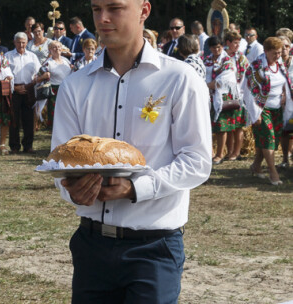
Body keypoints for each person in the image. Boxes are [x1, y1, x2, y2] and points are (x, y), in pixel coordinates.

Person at [51, 0, 211, 302]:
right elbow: (61, 159)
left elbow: (196, 161)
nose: (103, 18)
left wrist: (135, 188)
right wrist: (71, 189)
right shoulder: (75, 85)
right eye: (97, 9)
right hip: (92, 243)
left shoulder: (179, 79)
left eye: (115, 8)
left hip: (153, 247)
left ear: (144, 11)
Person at [244, 37, 292, 185]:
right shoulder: (257, 66)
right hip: (262, 107)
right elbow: (249, 91)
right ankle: (273, 173)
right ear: (265, 51)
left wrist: (285, 95)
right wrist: (255, 113)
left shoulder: (280, 65)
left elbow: (285, 82)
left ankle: (256, 166)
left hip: (277, 108)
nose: (278, 55)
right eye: (274, 53)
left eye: (279, 52)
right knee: (269, 138)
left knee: (270, 140)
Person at [203, 36, 239, 165]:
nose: (217, 49)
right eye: (214, 47)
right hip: (208, 96)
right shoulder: (206, 60)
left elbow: (224, 80)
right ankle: (211, 152)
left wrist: (205, 85)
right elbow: (201, 74)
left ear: (222, 46)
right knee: (208, 125)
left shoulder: (227, 61)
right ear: (210, 48)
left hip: (221, 97)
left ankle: (220, 153)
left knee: (221, 126)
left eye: (219, 47)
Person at [5, 32, 40, 154]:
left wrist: (34, 82)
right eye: (19, 42)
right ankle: (14, 146)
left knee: (28, 119)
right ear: (14, 42)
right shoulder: (8, 56)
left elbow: (37, 72)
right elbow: (4, 74)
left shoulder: (32, 56)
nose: (21, 44)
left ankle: (28, 145)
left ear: (26, 43)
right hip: (14, 90)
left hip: (29, 90)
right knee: (14, 119)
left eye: (23, 42)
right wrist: (14, 87)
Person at [224, 31, 250, 161]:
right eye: (235, 43)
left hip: (238, 94)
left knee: (239, 125)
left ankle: (236, 151)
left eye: (239, 43)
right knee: (228, 125)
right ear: (228, 43)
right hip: (224, 94)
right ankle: (229, 151)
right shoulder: (221, 55)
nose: (237, 46)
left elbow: (247, 74)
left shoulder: (241, 57)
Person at [34, 40, 71, 128]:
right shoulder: (48, 63)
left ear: (61, 49)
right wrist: (44, 76)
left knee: (67, 113)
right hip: (55, 92)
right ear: (49, 50)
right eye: (54, 47)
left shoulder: (66, 61)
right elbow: (36, 79)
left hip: (67, 90)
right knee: (55, 115)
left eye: (58, 47)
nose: (57, 49)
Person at [277, 35, 293, 168]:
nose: (284, 49)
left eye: (286, 46)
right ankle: (285, 159)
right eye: (281, 47)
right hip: (280, 103)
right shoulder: (275, 64)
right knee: (284, 131)